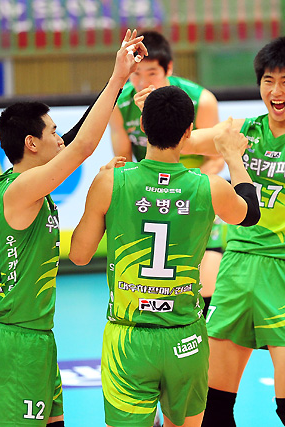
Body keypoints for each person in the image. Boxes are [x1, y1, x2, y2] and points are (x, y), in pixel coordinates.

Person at [152, 36, 285, 427]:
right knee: (214, 409)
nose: (275, 91)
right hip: (236, 269)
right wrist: (157, 109)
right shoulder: (242, 130)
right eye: (268, 81)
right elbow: (184, 140)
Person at [0, 29, 147, 427]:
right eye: (52, 132)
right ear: (31, 143)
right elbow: (82, 146)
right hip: (15, 344)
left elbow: (77, 137)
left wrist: (118, 81)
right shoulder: (21, 189)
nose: (60, 138)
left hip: (39, 338)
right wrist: (118, 77)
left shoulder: (29, 182)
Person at [68, 86, 260, 427]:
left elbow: (80, 255)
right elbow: (250, 213)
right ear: (188, 132)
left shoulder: (111, 182)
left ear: (142, 125)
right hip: (184, 336)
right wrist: (233, 158)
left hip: (128, 338)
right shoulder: (209, 186)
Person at [109, 30, 224, 317]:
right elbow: (123, 161)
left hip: (192, 196)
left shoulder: (200, 101)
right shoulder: (120, 104)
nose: (142, 82)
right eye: (135, 75)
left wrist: (188, 189)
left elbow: (216, 159)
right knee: (148, 289)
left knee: (206, 289)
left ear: (168, 69)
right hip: (150, 198)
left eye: (152, 73)